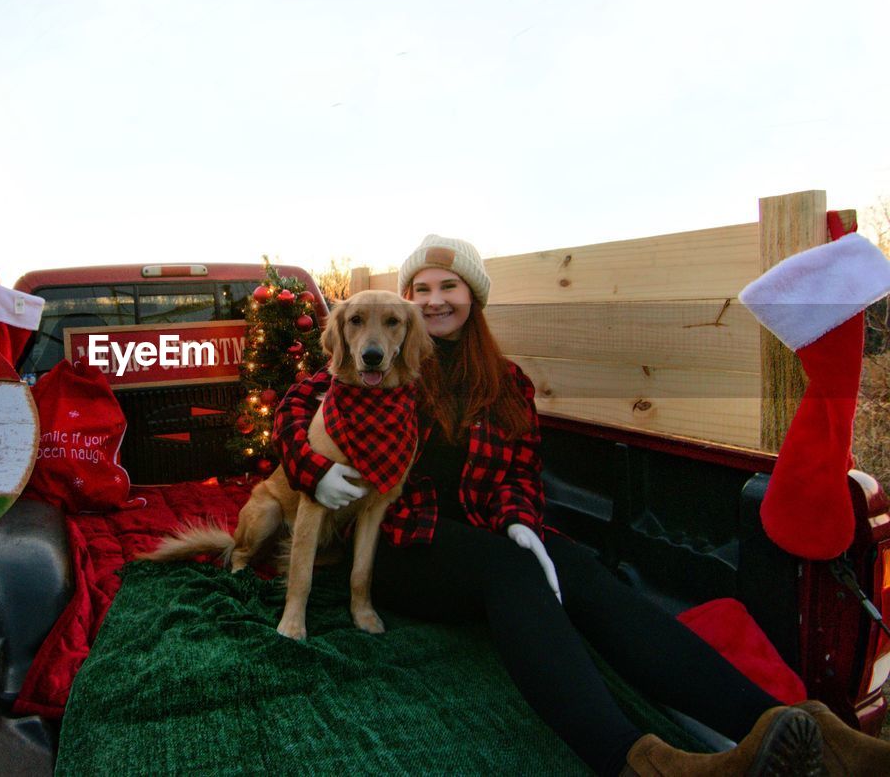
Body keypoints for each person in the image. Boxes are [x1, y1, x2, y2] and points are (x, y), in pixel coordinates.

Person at [272, 233, 890, 776]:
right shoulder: (375, 366)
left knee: (577, 569)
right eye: (422, 287)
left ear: (473, 296)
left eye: (450, 285)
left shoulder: (506, 380)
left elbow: (520, 470)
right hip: (403, 544)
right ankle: (634, 759)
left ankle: (795, 728)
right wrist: (315, 470)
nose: (435, 299)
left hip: (486, 536)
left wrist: (520, 521)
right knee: (507, 570)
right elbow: (294, 413)